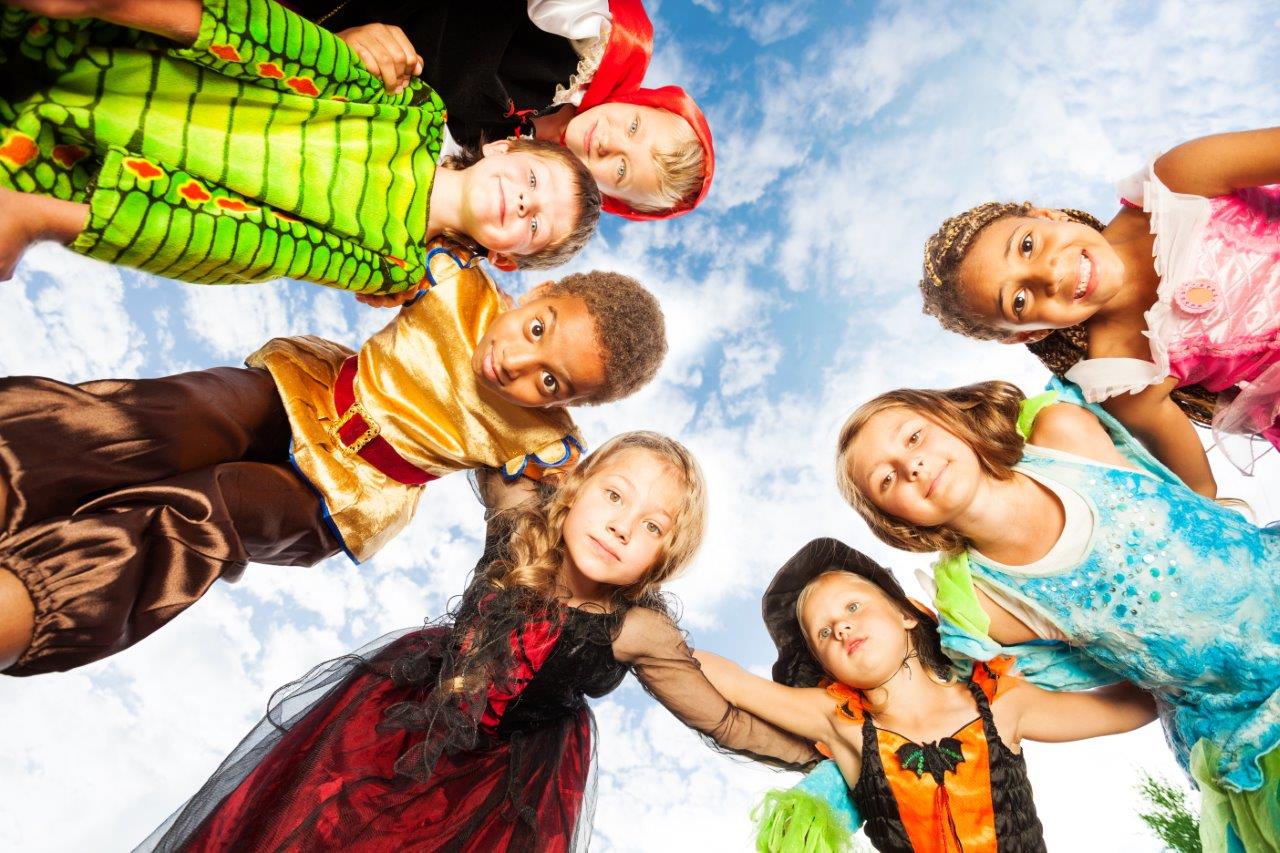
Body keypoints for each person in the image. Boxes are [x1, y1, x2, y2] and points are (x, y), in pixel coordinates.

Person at [136, 432, 821, 851]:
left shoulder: (637, 629)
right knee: (313, 830)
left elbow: (724, 717)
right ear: (576, 488)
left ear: (664, 556)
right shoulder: (521, 522)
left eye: (651, 526)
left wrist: (825, 756)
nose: (622, 525)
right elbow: (492, 434)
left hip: (500, 791)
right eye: (614, 495)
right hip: (399, 725)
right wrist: (541, 441)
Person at [0, 255, 667, 675]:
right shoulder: (456, 283)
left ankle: (28, 606)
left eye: (551, 383)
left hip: (341, 493)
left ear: (571, 407)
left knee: (213, 510)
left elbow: (572, 508)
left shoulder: (543, 442)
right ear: (537, 292)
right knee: (177, 417)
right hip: (306, 392)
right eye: (538, 329)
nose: (519, 365)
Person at [835, 378, 1280, 850]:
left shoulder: (1062, 433)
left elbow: (1192, 483)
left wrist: (1210, 502)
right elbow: (992, 703)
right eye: (886, 479)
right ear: (898, 523)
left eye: (914, 436)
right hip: (1247, 723)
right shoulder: (986, 603)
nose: (912, 465)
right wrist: (1170, 685)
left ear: (951, 418)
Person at [0, 0, 600, 292]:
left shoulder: (390, 263)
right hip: (132, 58)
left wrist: (43, 220)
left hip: (88, 175)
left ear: (507, 257)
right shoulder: (417, 104)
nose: (524, 205)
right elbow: (281, 46)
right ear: (503, 149)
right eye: (534, 183)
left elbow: (236, 241)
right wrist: (115, 5)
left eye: (535, 226)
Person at [693, 537, 1154, 852]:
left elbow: (1128, 706)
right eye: (825, 632)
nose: (842, 627)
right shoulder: (840, 723)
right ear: (825, 667)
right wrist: (633, 624)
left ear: (909, 614)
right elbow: (730, 680)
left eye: (853, 606)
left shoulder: (1001, 703)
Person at [918, 127, 1280, 493]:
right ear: (1031, 333)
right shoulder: (1125, 375)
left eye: (1027, 245)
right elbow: (1201, 493)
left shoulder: (1178, 182)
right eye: (1019, 301)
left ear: (1049, 215)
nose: (1050, 274)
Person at [293, 0, 715, 219]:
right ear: (635, 99)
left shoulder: (506, 159)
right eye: (635, 127)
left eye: (622, 170)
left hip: (310, 36)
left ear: (607, 197)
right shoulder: (584, 35)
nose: (610, 142)